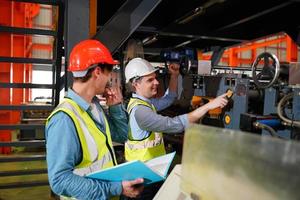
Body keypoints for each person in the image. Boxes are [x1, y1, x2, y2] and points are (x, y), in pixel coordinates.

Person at [45, 39, 143, 200]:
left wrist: (116, 107)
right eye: (108, 73)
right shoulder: (64, 119)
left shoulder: (94, 106)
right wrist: (116, 187)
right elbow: (59, 180)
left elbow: (121, 135)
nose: (109, 78)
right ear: (97, 72)